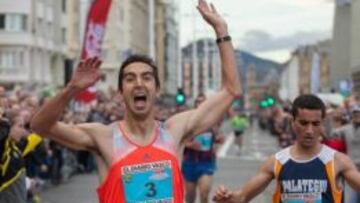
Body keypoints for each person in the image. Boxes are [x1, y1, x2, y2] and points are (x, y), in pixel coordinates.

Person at [30, 0, 241, 202]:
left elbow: (231, 90)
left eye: (147, 77)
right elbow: (40, 126)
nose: (139, 83)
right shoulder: (104, 137)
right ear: (121, 93)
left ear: (156, 90)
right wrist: (72, 89)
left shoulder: (175, 131)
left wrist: (221, 31)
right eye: (130, 79)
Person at [213, 94, 360, 203]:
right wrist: (227, 197)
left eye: (315, 124)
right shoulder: (277, 162)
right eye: (303, 123)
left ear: (322, 124)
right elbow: (242, 196)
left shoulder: (338, 161)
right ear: (292, 122)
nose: (309, 130)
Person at [182, 93, 224, 203]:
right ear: (195, 104)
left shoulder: (213, 120)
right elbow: (178, 140)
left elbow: (218, 136)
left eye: (203, 102)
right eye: (198, 101)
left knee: (204, 193)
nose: (200, 104)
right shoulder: (187, 121)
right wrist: (189, 145)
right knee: (190, 197)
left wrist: (219, 139)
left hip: (206, 162)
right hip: (189, 162)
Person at [332, 104, 360, 203]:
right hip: (351, 169)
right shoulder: (345, 129)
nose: (357, 115)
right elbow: (331, 134)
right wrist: (333, 118)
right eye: (355, 113)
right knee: (351, 200)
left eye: (359, 113)